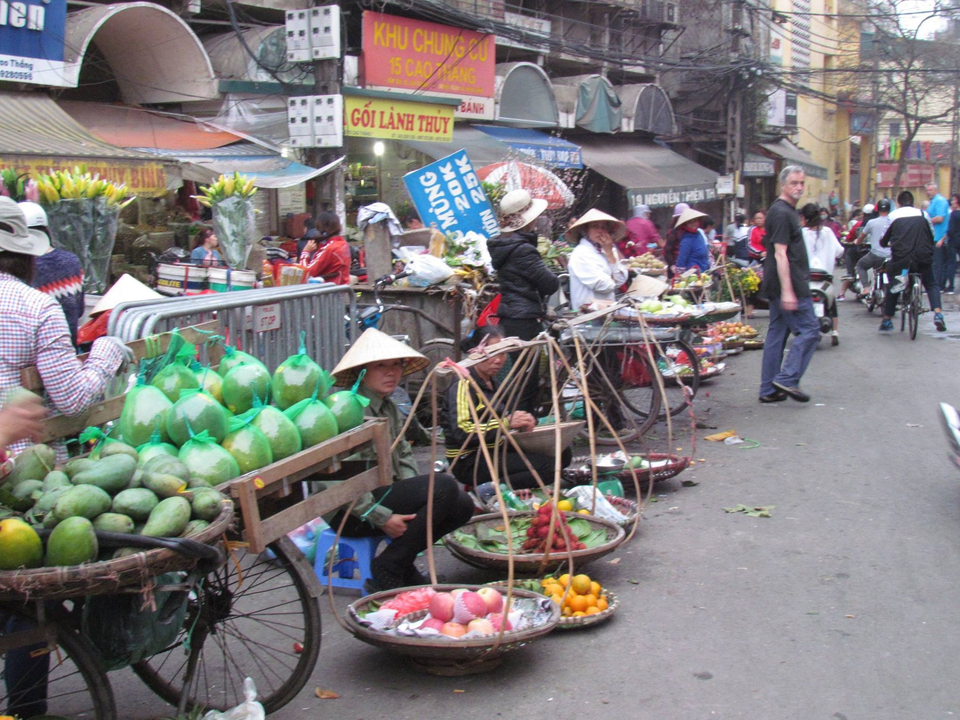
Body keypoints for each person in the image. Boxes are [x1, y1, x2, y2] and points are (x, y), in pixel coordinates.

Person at [325, 329, 475, 591]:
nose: (391, 372)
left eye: (395, 365)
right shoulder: (348, 409)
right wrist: (380, 516)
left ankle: (400, 563)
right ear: (362, 371)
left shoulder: (389, 407)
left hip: (381, 495)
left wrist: (414, 505)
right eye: (380, 366)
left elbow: (403, 455)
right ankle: (390, 567)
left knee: (461, 504)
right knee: (444, 486)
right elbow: (342, 480)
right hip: (349, 509)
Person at [0, 198, 131, 460]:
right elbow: (73, 400)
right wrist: (106, 351)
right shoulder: (38, 308)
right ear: (27, 257)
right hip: (28, 472)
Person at [444, 326, 571, 491]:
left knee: (563, 452)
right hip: (469, 459)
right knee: (548, 468)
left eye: (502, 353)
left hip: (494, 447)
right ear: (475, 353)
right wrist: (506, 423)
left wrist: (522, 420)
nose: (498, 360)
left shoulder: (493, 382)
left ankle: (502, 482)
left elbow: (502, 417)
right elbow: (463, 432)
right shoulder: (463, 383)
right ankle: (488, 489)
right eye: (492, 353)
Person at [487, 189, 558, 414]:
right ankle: (522, 428)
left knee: (522, 375)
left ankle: (521, 424)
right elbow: (550, 284)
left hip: (513, 315)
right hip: (523, 318)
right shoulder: (523, 250)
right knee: (526, 379)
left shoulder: (505, 246)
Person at [758, 166, 820, 404]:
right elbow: (780, 254)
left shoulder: (784, 211)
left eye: (801, 183)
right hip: (789, 283)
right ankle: (787, 378)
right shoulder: (782, 213)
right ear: (783, 185)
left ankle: (768, 388)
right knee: (810, 330)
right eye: (794, 183)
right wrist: (788, 291)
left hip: (782, 282)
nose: (799, 187)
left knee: (777, 333)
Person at [878, 190, 945, 333]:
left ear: (898, 203)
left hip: (901, 258)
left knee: (895, 285)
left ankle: (887, 319)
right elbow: (932, 234)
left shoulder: (893, 216)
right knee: (931, 284)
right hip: (922, 257)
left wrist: (885, 243)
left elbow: (884, 238)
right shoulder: (923, 214)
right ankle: (938, 314)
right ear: (913, 202)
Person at [18, 202, 84, 348]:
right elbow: (79, 311)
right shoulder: (73, 261)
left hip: (36, 357)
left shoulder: (24, 269)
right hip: (70, 348)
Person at [566, 209, 629, 312]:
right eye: (595, 226)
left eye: (603, 227)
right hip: (587, 315)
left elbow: (621, 279)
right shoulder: (581, 253)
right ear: (586, 230)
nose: (600, 231)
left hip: (607, 312)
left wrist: (610, 254)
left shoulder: (607, 250)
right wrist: (613, 279)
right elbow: (604, 286)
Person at [800, 203, 844, 346]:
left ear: (805, 218)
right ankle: (835, 331)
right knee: (831, 303)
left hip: (807, 275)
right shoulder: (828, 232)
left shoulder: (802, 233)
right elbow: (840, 251)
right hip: (825, 276)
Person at [299, 211, 351, 285]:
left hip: (330, 291)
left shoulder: (330, 248)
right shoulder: (343, 243)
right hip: (341, 287)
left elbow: (305, 273)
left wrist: (305, 252)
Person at [855, 199, 892, 297]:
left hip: (876, 255)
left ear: (877, 210)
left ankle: (866, 288)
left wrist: (857, 242)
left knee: (860, 265)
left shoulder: (871, 222)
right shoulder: (893, 221)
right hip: (891, 256)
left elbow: (862, 236)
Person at [926, 183, 950, 291]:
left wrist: (926, 222)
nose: (928, 192)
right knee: (934, 262)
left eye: (930, 190)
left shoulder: (939, 201)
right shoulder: (933, 202)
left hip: (939, 236)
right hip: (933, 236)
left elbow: (940, 218)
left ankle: (938, 285)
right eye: (927, 190)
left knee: (937, 262)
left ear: (936, 190)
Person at [674, 208, 712, 273]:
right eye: (689, 222)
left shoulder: (699, 234)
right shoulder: (687, 240)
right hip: (693, 278)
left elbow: (706, 253)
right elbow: (681, 262)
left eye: (695, 221)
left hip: (704, 274)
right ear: (685, 225)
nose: (693, 224)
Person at [662, 202, 689, 273]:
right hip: (676, 266)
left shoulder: (691, 231)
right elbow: (667, 250)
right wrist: (672, 264)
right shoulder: (674, 232)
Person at [945, 194, 960, 294]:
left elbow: (951, 229)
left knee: (951, 263)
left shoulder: (954, 214)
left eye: (954, 200)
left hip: (954, 240)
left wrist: (943, 239)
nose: (952, 202)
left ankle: (951, 286)